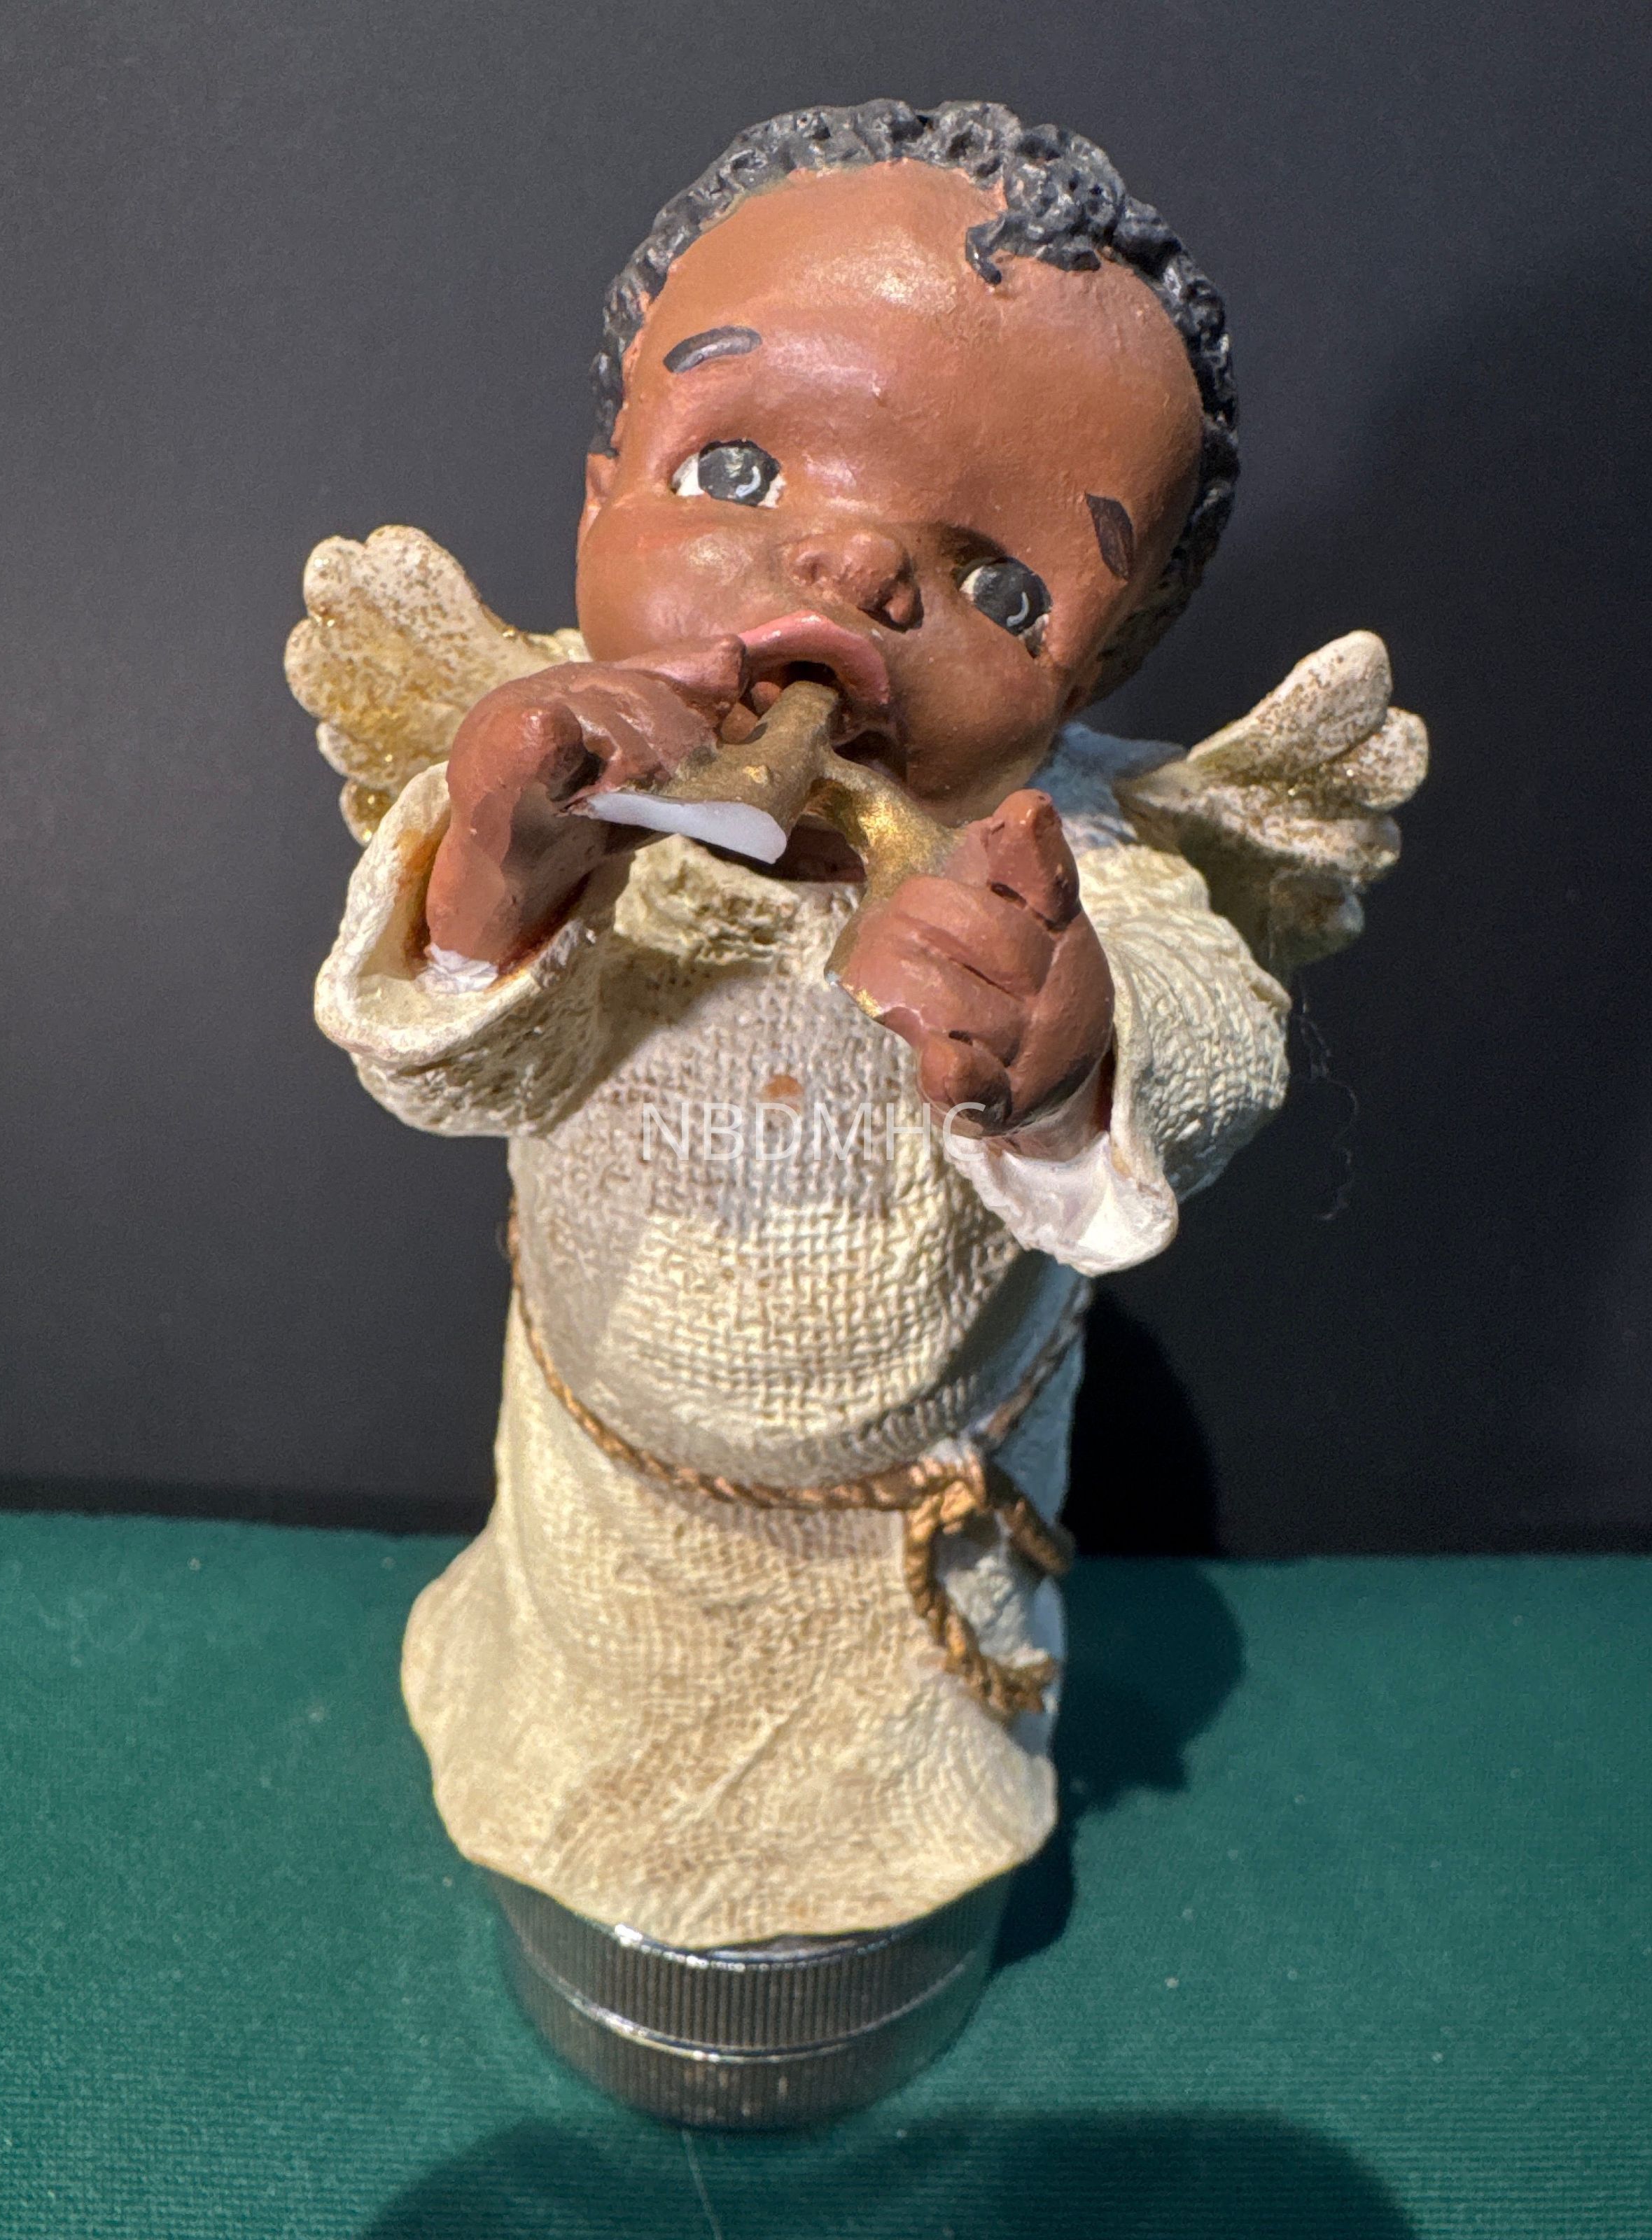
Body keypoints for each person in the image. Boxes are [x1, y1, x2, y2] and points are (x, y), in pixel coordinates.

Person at [301, 102, 1404, 1948]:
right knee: (582, 1755)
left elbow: (1220, 1037)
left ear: (1095, 668)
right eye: (738, 472)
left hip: (898, 1565)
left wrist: (1073, 1041)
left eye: (1002, 585)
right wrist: (498, 879)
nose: (852, 577)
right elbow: (451, 1063)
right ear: (599, 496)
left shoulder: (1061, 860)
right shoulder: (565, 786)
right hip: (608, 1526)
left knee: (893, 1826)